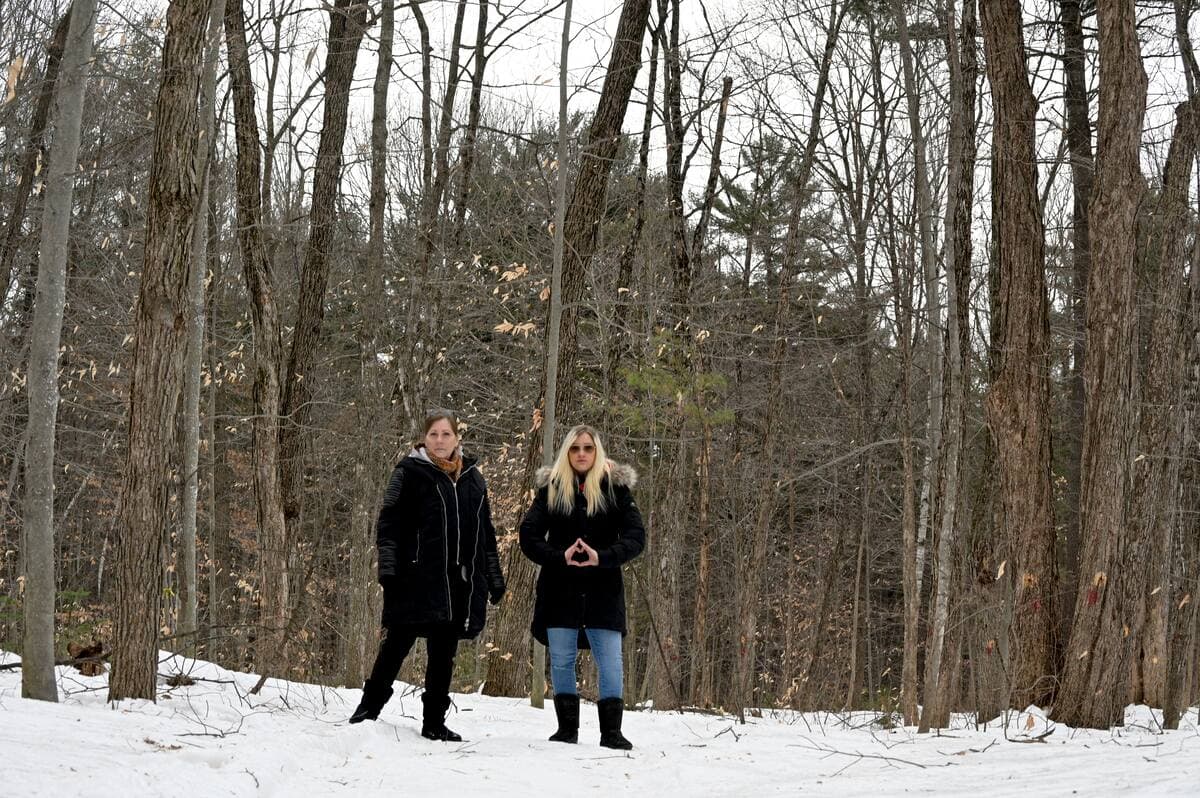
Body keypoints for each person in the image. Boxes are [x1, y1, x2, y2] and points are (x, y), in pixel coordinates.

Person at [349, 410, 506, 740]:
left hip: (457, 583)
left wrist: (493, 575)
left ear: (456, 438)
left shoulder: (473, 478)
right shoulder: (408, 472)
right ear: (424, 438)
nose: (439, 440)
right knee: (396, 644)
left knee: (443, 652)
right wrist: (389, 570)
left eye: (446, 434)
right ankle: (367, 710)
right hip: (413, 578)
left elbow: (485, 533)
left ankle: (434, 723)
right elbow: (388, 524)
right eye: (433, 434)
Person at [519, 424, 646, 750]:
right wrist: (558, 556)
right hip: (559, 591)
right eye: (575, 448)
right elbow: (528, 536)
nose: (581, 454)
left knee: (610, 662)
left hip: (604, 592)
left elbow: (636, 538)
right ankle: (566, 730)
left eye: (587, 448)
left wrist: (601, 557)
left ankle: (612, 733)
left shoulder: (615, 490)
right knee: (561, 660)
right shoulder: (551, 489)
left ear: (596, 451)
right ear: (566, 452)